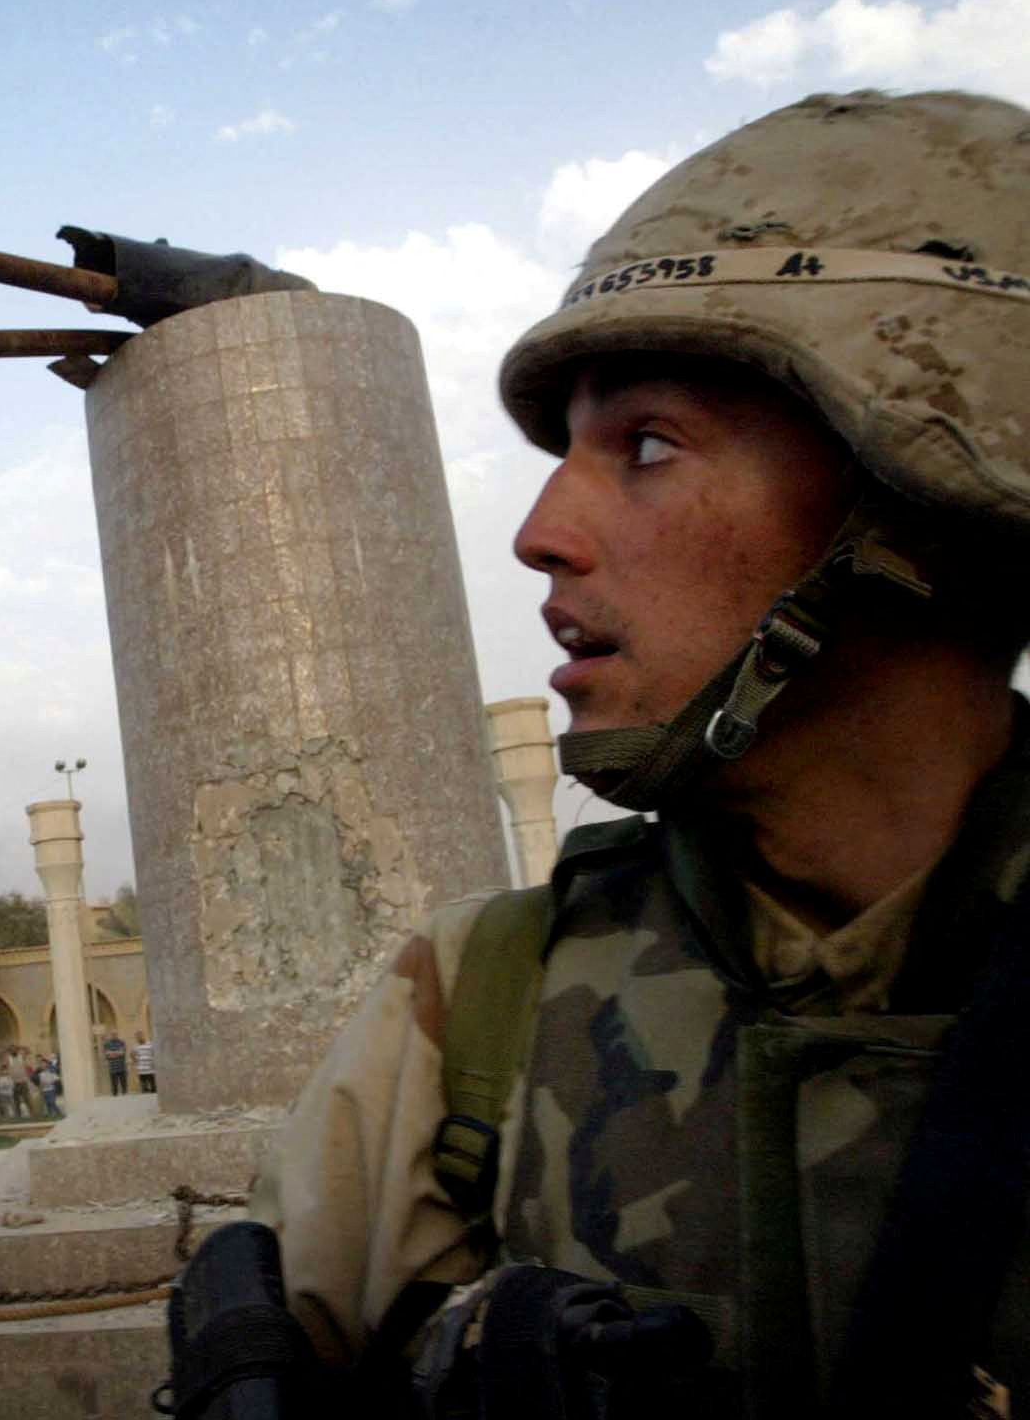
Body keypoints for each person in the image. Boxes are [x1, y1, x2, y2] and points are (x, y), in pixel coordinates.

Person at [236, 91, 1030, 1415]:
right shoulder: (475, 1008)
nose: (540, 530)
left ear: (922, 503)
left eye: (648, 444)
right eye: (568, 451)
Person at [101, 1031, 129, 1096]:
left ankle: (124, 1093)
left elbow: (122, 1053)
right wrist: (117, 1053)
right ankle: (115, 1095)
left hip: (122, 1066)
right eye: (113, 1034)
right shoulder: (107, 1044)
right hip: (112, 1067)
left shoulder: (122, 1042)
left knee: (123, 1083)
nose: (114, 1035)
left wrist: (112, 1053)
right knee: (114, 1084)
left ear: (117, 1035)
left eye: (115, 1034)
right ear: (111, 1035)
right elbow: (107, 1054)